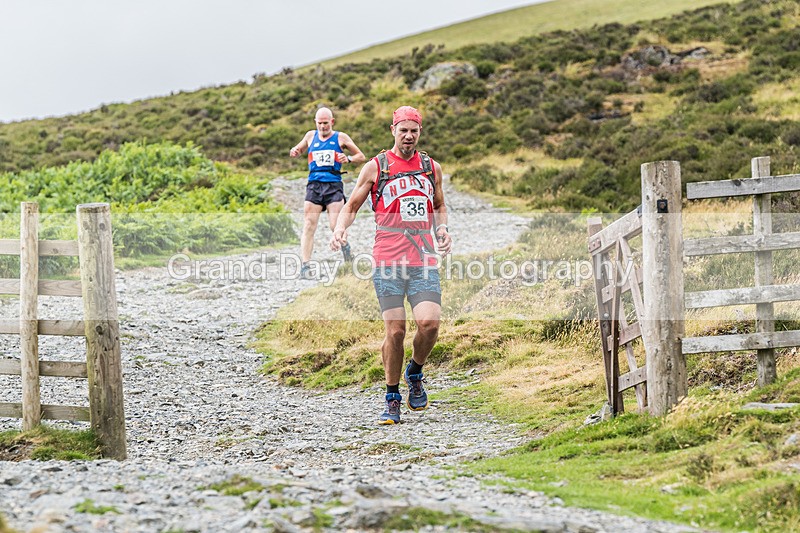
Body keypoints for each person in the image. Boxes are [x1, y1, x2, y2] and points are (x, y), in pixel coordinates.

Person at [330, 106, 452, 425]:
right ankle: (392, 397)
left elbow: (439, 204)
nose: (408, 136)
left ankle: (415, 371)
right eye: (403, 130)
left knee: (429, 324)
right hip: (388, 259)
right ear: (393, 130)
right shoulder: (376, 167)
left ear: (420, 132)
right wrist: (341, 229)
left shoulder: (430, 167)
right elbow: (352, 205)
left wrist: (442, 229)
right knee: (395, 331)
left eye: (414, 130)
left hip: (423, 258)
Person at [290, 107, 365, 279]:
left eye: (325, 123)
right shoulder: (310, 136)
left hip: (333, 184)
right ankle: (305, 266)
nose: (322, 127)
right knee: (309, 224)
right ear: (315, 122)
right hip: (314, 184)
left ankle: (346, 250)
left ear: (332, 122)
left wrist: (350, 159)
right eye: (319, 123)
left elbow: (361, 155)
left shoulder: (341, 137)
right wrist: (294, 151)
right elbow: (298, 149)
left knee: (335, 225)